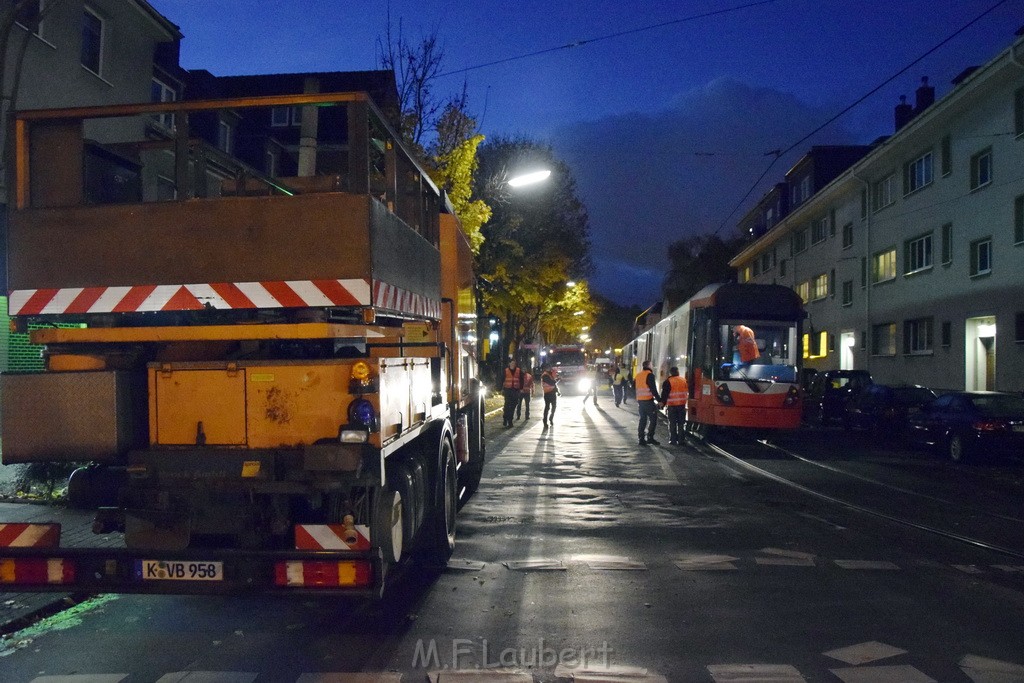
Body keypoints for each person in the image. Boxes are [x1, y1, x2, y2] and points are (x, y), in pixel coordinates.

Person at [634, 360, 663, 445]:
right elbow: (653, 389)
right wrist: (660, 401)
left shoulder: (638, 375)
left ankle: (641, 438)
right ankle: (650, 437)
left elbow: (633, 386)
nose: (652, 366)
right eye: (651, 364)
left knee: (642, 419)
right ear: (648, 366)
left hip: (640, 401)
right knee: (653, 419)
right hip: (648, 401)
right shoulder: (650, 375)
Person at [661, 366, 689, 445]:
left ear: (670, 373)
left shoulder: (668, 381)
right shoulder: (683, 380)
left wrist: (662, 404)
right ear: (677, 372)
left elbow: (665, 394)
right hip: (682, 406)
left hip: (672, 406)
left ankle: (673, 440)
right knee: (681, 424)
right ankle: (681, 440)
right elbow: (687, 391)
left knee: (672, 423)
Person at [502, 359, 523, 427]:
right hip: (508, 390)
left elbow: (521, 379)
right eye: (512, 363)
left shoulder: (518, 371)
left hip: (515, 390)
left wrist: (521, 388)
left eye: (514, 363)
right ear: (509, 364)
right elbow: (501, 379)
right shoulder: (505, 371)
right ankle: (506, 418)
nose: (513, 364)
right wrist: (500, 388)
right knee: (507, 406)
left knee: (513, 406)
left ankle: (510, 420)